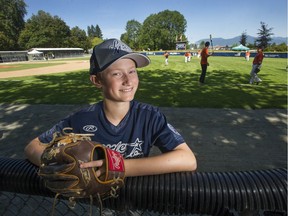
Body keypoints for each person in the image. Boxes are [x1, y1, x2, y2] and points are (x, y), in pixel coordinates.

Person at [24, 39, 197, 213]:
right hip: (97, 206)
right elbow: (33, 147)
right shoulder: (81, 119)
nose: (128, 80)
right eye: (117, 74)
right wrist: (63, 167)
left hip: (136, 200)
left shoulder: (150, 116)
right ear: (97, 80)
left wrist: (117, 167)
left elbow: (188, 159)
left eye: (132, 71)